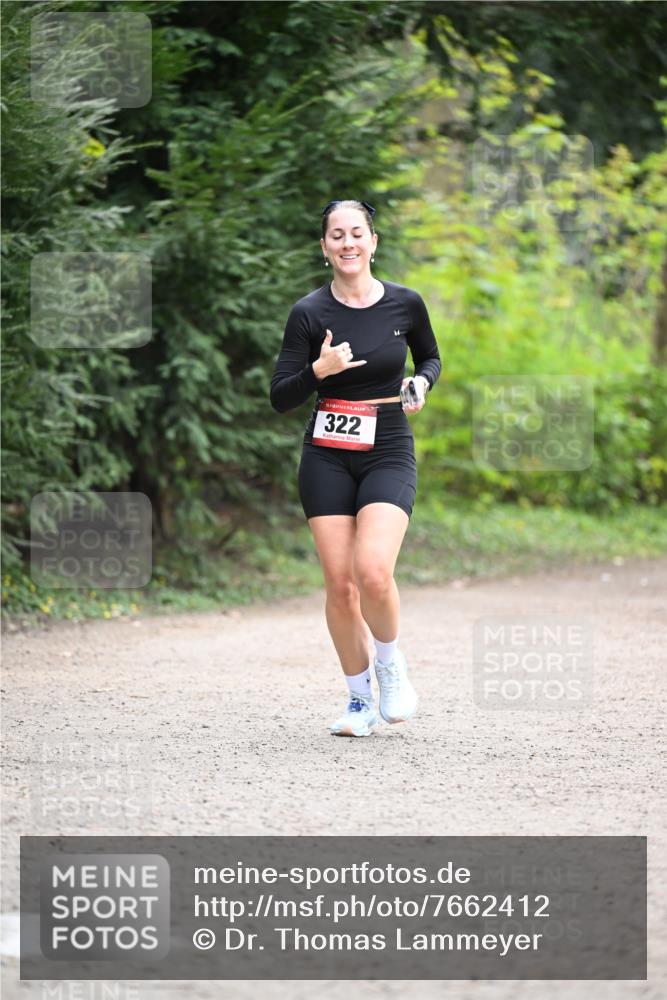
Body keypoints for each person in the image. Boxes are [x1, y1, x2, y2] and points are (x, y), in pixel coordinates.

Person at [270, 199, 441, 737]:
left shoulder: (405, 304)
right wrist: (318, 370)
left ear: (373, 241)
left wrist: (421, 383)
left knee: (372, 570)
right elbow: (280, 395)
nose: (348, 243)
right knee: (340, 585)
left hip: (387, 445)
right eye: (337, 235)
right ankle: (359, 701)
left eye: (356, 233)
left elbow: (430, 358)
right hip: (326, 452)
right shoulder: (308, 313)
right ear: (324, 248)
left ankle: (390, 663)